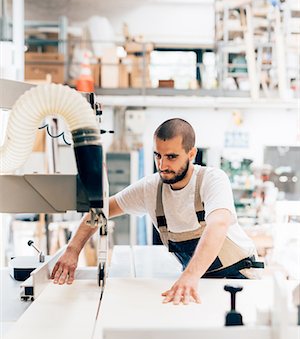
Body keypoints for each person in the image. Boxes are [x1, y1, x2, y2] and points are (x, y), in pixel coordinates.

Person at [51, 118, 263, 304]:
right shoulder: (151, 188)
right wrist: (72, 250)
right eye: (157, 156)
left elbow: (218, 225)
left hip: (239, 279)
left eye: (171, 157)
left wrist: (190, 276)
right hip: (197, 282)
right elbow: (101, 212)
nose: (162, 165)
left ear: (192, 154)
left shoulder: (212, 180)